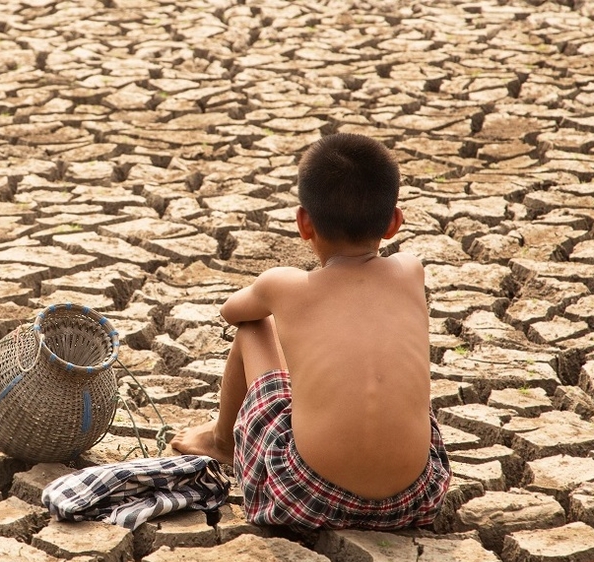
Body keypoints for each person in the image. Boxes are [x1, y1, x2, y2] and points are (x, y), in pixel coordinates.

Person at [170, 133, 450, 530]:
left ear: (304, 222)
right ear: (394, 222)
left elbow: (232, 311)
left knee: (254, 326)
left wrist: (279, 304)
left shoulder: (284, 286)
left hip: (304, 496)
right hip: (415, 499)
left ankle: (221, 442)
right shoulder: (411, 271)